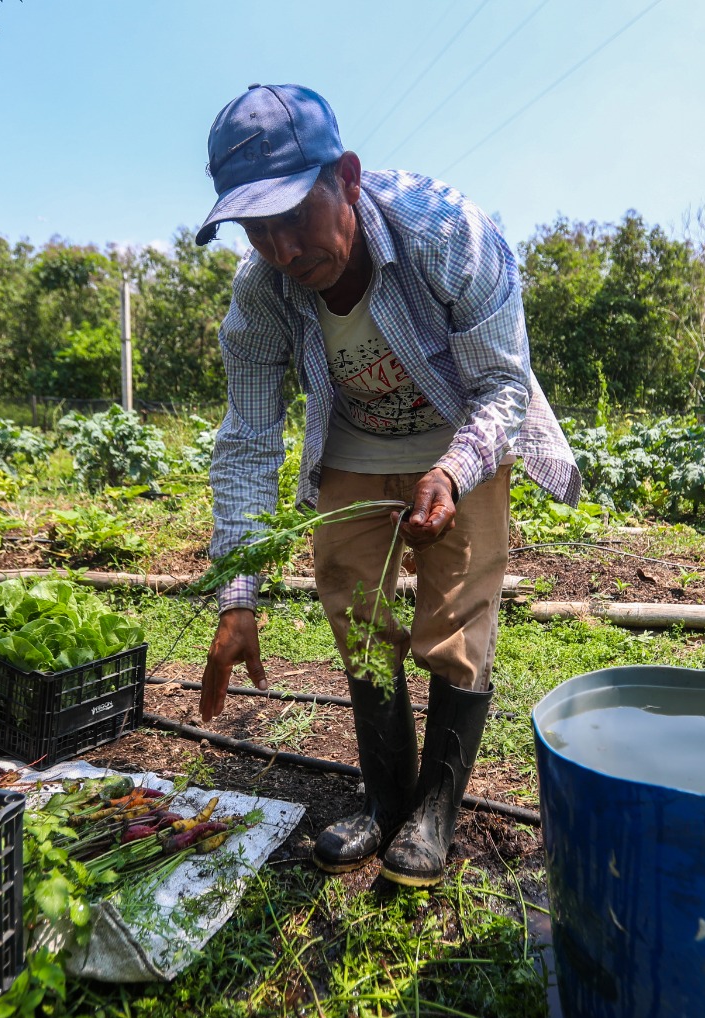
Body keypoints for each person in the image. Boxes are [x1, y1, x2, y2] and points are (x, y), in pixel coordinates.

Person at [194, 83, 580, 887]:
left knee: (457, 617)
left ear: (346, 178)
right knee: (354, 611)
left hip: (464, 433)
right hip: (354, 445)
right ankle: (384, 800)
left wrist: (454, 470)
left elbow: (503, 385)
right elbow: (248, 439)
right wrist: (239, 596)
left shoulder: (448, 231)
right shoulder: (262, 293)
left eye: (293, 216)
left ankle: (435, 811)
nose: (283, 249)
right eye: (257, 229)